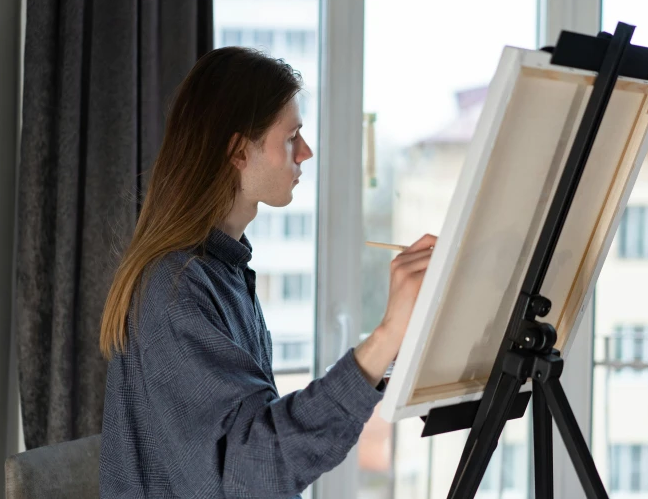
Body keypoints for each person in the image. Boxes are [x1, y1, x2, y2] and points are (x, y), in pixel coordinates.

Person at [98, 46, 437, 498]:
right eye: (292, 136)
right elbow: (251, 468)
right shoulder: (175, 288)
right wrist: (385, 337)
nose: (306, 151)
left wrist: (393, 350)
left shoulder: (226, 271)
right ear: (239, 151)